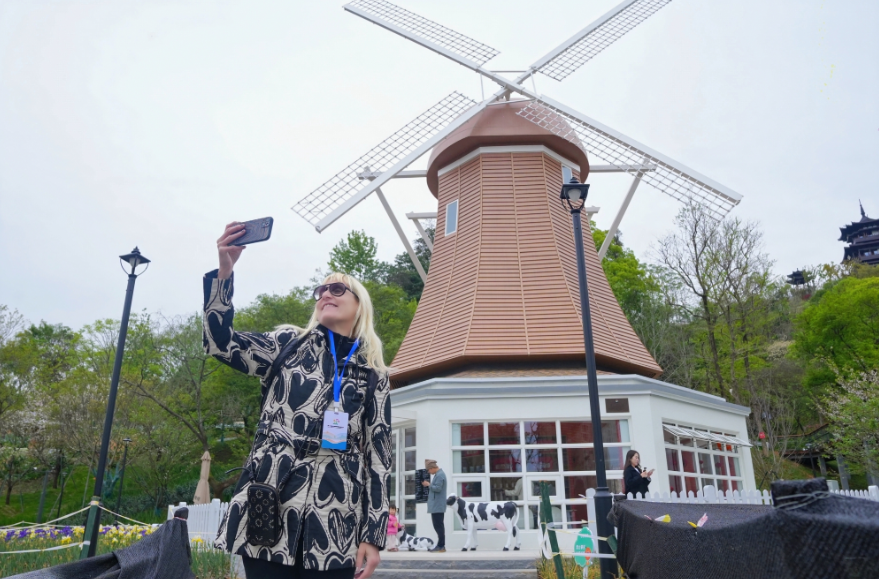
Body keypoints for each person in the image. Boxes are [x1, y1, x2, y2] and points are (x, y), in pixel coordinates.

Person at [204, 222, 392, 579]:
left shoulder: (374, 374)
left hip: (334, 519)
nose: (326, 293)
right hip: (269, 503)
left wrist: (373, 535)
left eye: (338, 288)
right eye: (321, 289)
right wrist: (224, 272)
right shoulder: (287, 345)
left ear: (360, 305)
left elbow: (379, 459)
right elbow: (220, 343)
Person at [422, 459, 447, 552]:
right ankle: (440, 545)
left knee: (438, 526)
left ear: (432, 468)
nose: (429, 472)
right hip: (437, 506)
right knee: (438, 525)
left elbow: (438, 488)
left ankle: (441, 545)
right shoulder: (439, 475)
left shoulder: (440, 475)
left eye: (429, 470)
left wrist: (429, 485)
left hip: (438, 506)